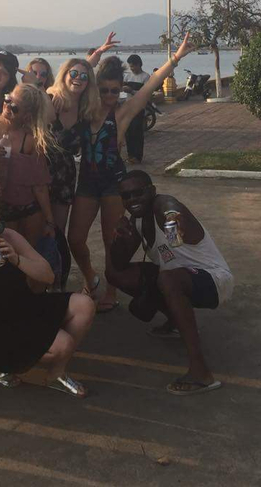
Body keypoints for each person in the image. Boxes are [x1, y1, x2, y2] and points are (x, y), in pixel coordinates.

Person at [68, 33, 194, 313]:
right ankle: (91, 279)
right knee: (75, 238)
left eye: (116, 90)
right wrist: (97, 53)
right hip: (87, 182)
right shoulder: (84, 112)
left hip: (114, 184)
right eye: (105, 90)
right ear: (95, 88)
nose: (111, 96)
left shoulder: (121, 114)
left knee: (111, 241)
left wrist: (177, 56)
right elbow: (76, 75)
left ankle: (111, 290)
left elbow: (150, 85)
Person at [0, 197, 95, 402]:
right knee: (63, 344)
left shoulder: (9, 237)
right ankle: (5, 366)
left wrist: (17, 259)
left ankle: (56, 374)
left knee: (85, 305)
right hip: (2, 328)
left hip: (27, 306)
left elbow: (48, 276)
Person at [108, 170, 233, 396]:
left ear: (152, 191)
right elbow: (118, 265)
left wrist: (172, 226)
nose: (132, 200)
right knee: (115, 274)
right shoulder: (137, 221)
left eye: (138, 193)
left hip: (213, 280)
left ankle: (200, 372)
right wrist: (119, 240)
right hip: (176, 278)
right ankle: (175, 321)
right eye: (126, 196)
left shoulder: (161, 204)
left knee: (168, 278)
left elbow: (171, 210)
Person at [0, 84, 56, 250]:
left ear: (27, 116)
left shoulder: (31, 141)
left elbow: (39, 186)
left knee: (28, 254)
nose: (7, 106)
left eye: (14, 107)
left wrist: (50, 221)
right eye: (7, 99)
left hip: (27, 208)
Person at [46, 59, 99, 236]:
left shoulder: (86, 110)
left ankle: (57, 263)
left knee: (58, 230)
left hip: (65, 175)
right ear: (64, 76)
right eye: (74, 74)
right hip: (42, 172)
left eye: (84, 76)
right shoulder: (51, 99)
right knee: (39, 227)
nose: (78, 79)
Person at [123, 54, 151, 165]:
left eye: (133, 66)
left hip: (139, 107)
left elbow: (146, 93)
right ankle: (130, 155)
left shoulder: (145, 77)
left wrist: (132, 91)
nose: (132, 69)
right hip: (127, 106)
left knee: (137, 131)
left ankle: (137, 156)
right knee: (128, 132)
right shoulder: (127, 76)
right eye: (130, 67)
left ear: (139, 65)